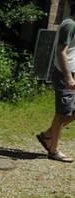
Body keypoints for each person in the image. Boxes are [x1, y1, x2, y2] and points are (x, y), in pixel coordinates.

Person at [36, 0, 75, 163]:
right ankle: (53, 150)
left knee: (72, 112)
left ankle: (47, 136)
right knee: (63, 112)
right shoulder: (69, 24)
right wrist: (68, 77)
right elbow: (61, 52)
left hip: (73, 72)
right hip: (65, 74)